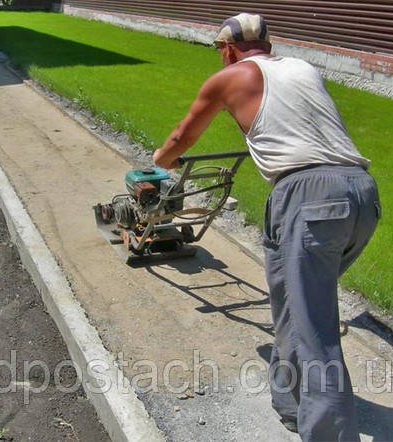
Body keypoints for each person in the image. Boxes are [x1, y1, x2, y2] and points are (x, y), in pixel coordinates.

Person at [153, 12, 381, 442]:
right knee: (293, 302)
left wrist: (159, 162)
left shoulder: (229, 76)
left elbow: (184, 137)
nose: (221, 58)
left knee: (314, 328)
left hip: (307, 197)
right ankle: (292, 405)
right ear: (269, 44)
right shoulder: (303, 67)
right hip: (360, 194)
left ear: (228, 49)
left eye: (221, 51)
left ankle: (329, 435)